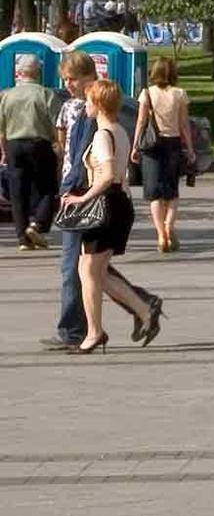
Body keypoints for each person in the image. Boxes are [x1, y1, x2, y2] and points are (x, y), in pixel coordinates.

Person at [43, 53, 161, 350]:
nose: (67, 85)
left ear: (88, 78)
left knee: (80, 268)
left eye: (72, 79)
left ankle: (79, 330)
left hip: (95, 201)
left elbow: (101, 170)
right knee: (91, 268)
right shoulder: (82, 111)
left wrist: (77, 194)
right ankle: (141, 307)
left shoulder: (99, 120)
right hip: (94, 198)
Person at [58, 80, 144, 354]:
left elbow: (107, 176)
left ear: (99, 104)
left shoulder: (101, 135)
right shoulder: (119, 130)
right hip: (118, 205)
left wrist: (82, 198)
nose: (85, 106)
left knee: (88, 271)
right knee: (92, 270)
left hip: (105, 205)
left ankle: (94, 332)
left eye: (89, 101)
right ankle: (142, 310)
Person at [132, 57, 193, 252]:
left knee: (154, 194)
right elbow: (184, 124)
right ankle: (169, 226)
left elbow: (141, 122)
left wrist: (135, 147)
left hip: (151, 146)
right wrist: (190, 149)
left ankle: (160, 234)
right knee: (172, 191)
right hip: (173, 144)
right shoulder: (180, 94)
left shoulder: (147, 94)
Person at [2, 55, 62, 250]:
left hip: (14, 144)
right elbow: (57, 122)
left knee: (17, 191)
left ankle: (22, 238)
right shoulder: (45, 94)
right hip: (39, 144)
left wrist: (3, 151)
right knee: (47, 186)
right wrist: (59, 146)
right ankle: (38, 223)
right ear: (38, 72)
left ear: (19, 72)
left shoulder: (6, 95)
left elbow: (1, 129)